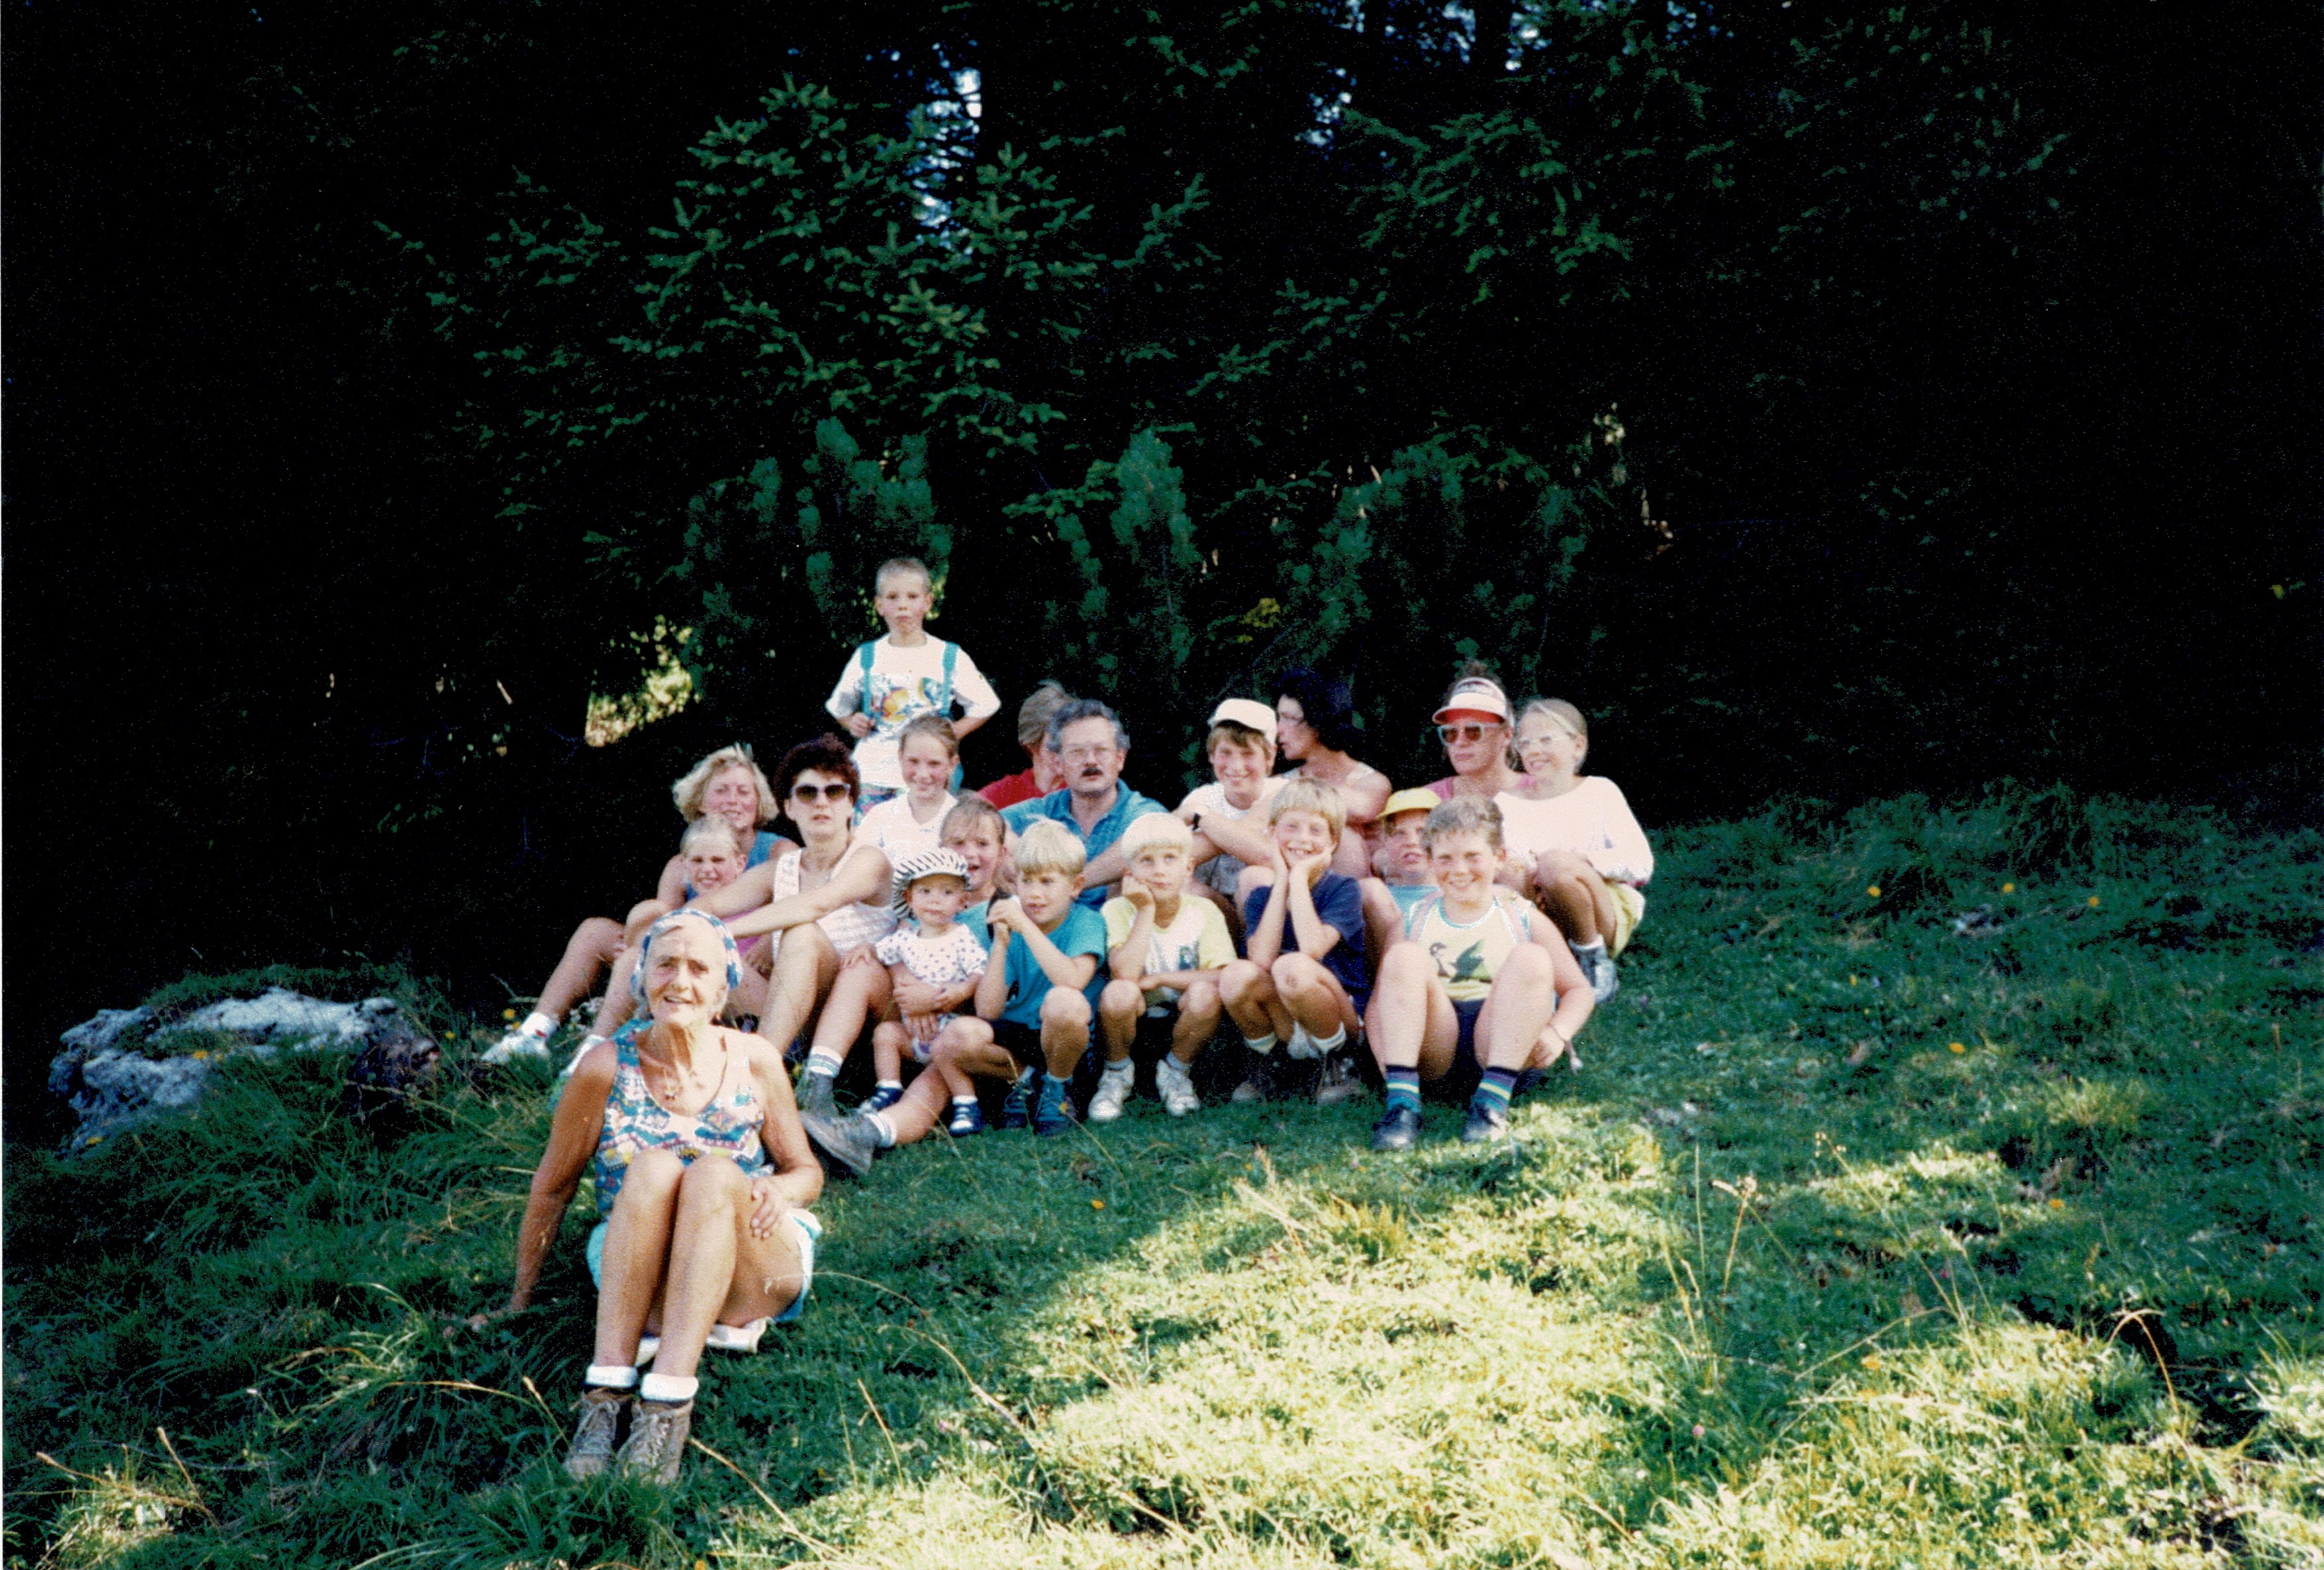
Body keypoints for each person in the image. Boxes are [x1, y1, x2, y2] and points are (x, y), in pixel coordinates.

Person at [492, 910, 822, 1485]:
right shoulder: (603, 1068)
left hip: (748, 1268)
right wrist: (520, 1297)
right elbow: (553, 1187)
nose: (681, 980)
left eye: (700, 967)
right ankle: (606, 1394)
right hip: (642, 1277)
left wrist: (776, 1187)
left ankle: (666, 1407)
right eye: (666, 963)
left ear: (724, 988)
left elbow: (805, 1170)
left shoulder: (756, 1058)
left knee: (717, 1175)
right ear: (642, 978)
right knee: (652, 1169)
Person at [800, 821, 1106, 1170]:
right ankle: (868, 1133)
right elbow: (989, 1010)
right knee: (952, 1040)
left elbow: (1071, 981)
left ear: (1076, 886)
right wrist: (1003, 943)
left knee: (1064, 1003)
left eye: (1047, 882)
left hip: (1063, 1051)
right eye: (1027, 881)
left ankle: (1056, 1091)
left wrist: (1026, 929)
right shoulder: (1002, 925)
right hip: (1012, 1050)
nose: (1034, 893)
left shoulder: (1086, 922)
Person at [486, 744, 791, 1065]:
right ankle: (533, 1034)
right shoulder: (681, 864)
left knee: (644, 952)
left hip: (750, 974)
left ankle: (594, 1053)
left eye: (745, 792)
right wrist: (639, 938)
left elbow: (799, 912)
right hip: (686, 960)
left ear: (759, 803)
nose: (733, 801)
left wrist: (772, 942)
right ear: (701, 802)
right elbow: (661, 917)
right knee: (596, 932)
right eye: (722, 791)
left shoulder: (777, 852)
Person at [1366, 797, 1594, 1150]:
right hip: (1433, 1049)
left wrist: (1556, 1032)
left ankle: (1491, 1104)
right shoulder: (1413, 920)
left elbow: (1579, 990)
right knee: (1403, 958)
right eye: (1445, 858)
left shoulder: (1520, 916)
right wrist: (1387, 1062)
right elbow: (1381, 1003)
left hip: (1505, 1044)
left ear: (1499, 858)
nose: (1459, 870)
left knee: (1532, 959)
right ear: (1430, 860)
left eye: (1473, 856)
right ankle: (1402, 1105)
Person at [791, 796, 1006, 1117]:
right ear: (941, 847)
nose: (969, 853)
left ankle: (878, 1128)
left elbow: (992, 1003)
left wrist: (933, 1000)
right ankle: (818, 1082)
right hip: (906, 1028)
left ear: (1002, 853)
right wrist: (910, 993)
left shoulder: (1002, 912)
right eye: (958, 842)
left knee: (946, 1058)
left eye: (982, 844)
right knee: (860, 966)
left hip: (958, 1031)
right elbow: (896, 949)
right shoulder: (924, 899)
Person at [683, 738, 896, 1061]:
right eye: (808, 793)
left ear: (852, 803)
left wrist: (722, 932)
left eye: (835, 791)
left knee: (802, 932)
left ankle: (759, 1069)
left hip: (865, 1018)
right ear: (789, 807)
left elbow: (818, 904)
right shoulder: (780, 869)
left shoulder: (870, 859)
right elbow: (709, 905)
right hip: (802, 1016)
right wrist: (679, 930)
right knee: (708, 952)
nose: (821, 802)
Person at [1219, 780, 1370, 1106]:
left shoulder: (1344, 889)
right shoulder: (1262, 896)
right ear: (1272, 833)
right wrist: (1283, 881)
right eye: (1292, 827)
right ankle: (1272, 1064)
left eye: (1316, 830)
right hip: (1286, 1011)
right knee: (1236, 975)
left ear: (1333, 842)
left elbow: (1312, 948)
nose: (1303, 839)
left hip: (1338, 1012)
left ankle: (1339, 1066)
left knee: (1293, 966)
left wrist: (1300, 878)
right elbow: (1259, 961)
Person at [1495, 699, 1653, 1003]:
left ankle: (1592, 961)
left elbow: (1641, 863)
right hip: (1538, 907)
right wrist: (1530, 873)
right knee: (1507, 870)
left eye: (1545, 740)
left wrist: (1581, 862)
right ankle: (1536, 966)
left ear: (1577, 746)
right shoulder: (1506, 803)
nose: (1533, 750)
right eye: (1525, 743)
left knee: (1557, 865)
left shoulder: (1599, 791)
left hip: (1596, 910)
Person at [824, 557, 1000, 807]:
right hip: (872, 776)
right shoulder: (867, 657)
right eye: (893, 597)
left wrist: (953, 732)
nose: (903, 606)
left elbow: (986, 704)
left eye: (912, 597)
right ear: (879, 605)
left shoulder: (947, 656)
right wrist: (852, 721)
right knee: (871, 841)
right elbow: (839, 706)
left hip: (927, 779)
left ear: (928, 602)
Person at [1092, 813, 1234, 1121]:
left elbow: (1223, 974)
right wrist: (1145, 908)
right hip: (1134, 1021)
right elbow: (1126, 973)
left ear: (1188, 867)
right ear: (1128, 873)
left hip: (1185, 1019)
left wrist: (1160, 978)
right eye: (1146, 861)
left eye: (1170, 859)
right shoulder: (1117, 910)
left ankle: (1175, 1071)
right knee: (1119, 992)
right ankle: (1117, 1071)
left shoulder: (1203, 911)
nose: (1159, 871)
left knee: (1206, 994)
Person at [1000, 699, 1169, 908]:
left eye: (1101, 750)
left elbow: (1147, 839)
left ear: (1120, 758)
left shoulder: (1141, 812)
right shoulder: (1043, 809)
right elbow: (986, 823)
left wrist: (1066, 886)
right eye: (1077, 752)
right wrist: (1020, 860)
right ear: (1058, 763)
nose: (1090, 761)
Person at [863, 849, 988, 1114]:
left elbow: (979, 971)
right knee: (885, 1034)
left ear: (962, 901)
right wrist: (863, 949)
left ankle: (966, 1103)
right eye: (925, 892)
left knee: (946, 1052)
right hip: (913, 1035)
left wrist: (962, 990)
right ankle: (888, 1087)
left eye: (947, 893)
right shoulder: (905, 938)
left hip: (948, 1027)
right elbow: (881, 952)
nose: (935, 901)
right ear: (909, 898)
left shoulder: (961, 937)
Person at [1176, 699, 1285, 928]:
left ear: (1270, 756)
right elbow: (1161, 845)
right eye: (1225, 753)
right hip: (1216, 911)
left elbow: (1269, 857)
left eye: (1248, 754)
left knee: (1255, 878)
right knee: (1181, 884)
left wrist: (1202, 817)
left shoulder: (1283, 793)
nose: (1236, 766)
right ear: (1212, 755)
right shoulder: (1203, 798)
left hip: (1269, 916)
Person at [1273, 669, 1392, 877]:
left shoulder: (1372, 782)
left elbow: (1362, 809)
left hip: (1355, 896)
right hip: (1292, 890)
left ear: (1318, 720)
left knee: (1346, 836)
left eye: (1289, 718)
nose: (1278, 730)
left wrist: (1277, 792)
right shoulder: (1282, 782)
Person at [852, 713, 959, 868]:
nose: (923, 774)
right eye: (913, 761)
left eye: (934, 764)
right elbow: (858, 870)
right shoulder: (880, 817)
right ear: (900, 757)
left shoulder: (962, 818)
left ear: (952, 764)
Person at [1422, 669, 1523, 802]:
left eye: (1474, 731)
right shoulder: (1427, 801)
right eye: (1451, 733)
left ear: (1507, 735)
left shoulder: (1541, 791)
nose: (1460, 742)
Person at [978, 681, 1073, 809]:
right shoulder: (1004, 793)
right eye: (1057, 742)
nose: (1067, 750)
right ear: (1032, 745)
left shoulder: (1084, 790)